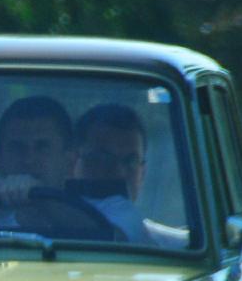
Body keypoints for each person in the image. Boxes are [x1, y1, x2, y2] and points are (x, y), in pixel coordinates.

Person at [69, 103, 187, 248]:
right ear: (73, 163)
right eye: (103, 159)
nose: (119, 173)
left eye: (130, 161)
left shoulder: (177, 248)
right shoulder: (46, 236)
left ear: (142, 173)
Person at [0, 95, 73, 210]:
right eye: (17, 148)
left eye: (42, 147)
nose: (29, 160)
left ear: (69, 161)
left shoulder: (95, 214)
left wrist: (46, 202)